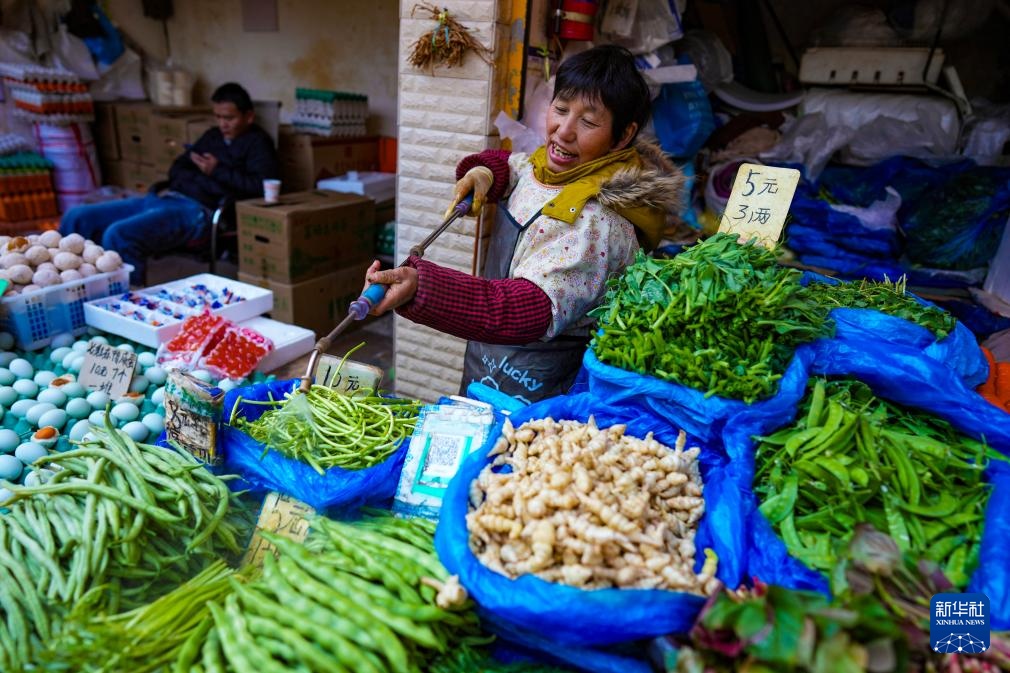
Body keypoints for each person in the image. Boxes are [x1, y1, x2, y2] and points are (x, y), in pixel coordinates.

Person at [364, 45, 684, 404]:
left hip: (541, 388)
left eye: (589, 122)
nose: (563, 131)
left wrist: (422, 288)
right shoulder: (554, 169)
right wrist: (485, 172)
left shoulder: (598, 224)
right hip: (486, 361)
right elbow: (516, 167)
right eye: (561, 109)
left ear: (623, 136)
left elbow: (526, 309)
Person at [59, 82, 278, 284]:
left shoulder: (258, 144)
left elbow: (259, 187)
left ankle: (126, 304)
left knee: (119, 235)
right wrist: (198, 176)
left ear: (248, 117)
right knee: (77, 217)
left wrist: (216, 171)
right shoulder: (213, 136)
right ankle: (70, 286)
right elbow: (178, 167)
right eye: (218, 117)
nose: (223, 124)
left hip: (199, 211)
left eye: (229, 118)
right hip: (167, 197)